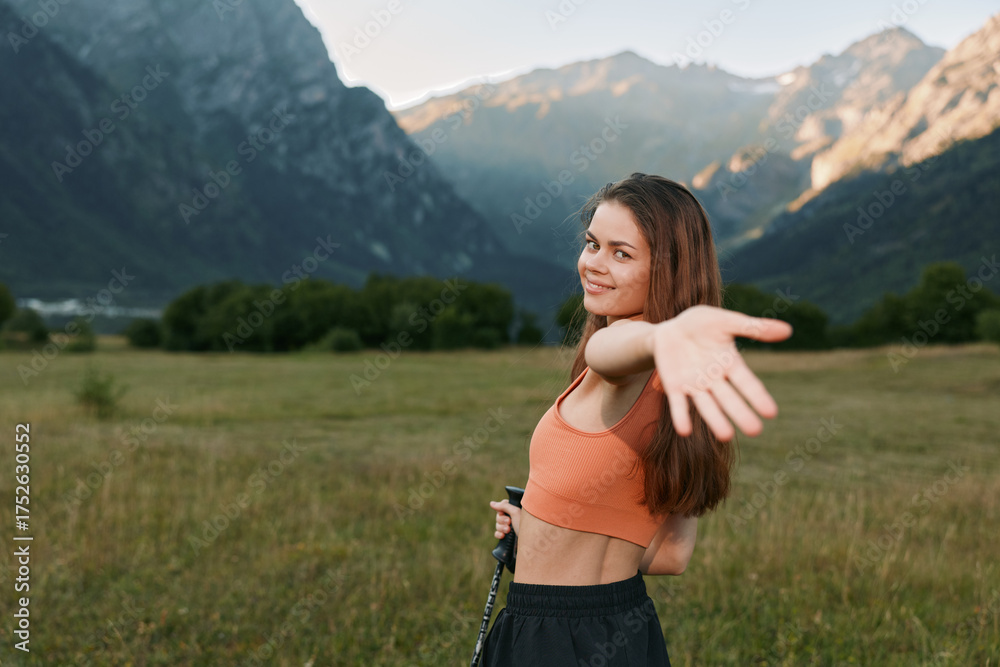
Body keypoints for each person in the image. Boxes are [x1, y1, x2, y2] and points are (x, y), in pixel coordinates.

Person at [481, 173, 793, 666]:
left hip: (552, 636)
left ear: (665, 271)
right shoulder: (683, 387)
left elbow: (607, 352)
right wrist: (540, 532)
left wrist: (659, 337)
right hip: (625, 631)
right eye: (592, 244)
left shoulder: (628, 356)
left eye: (621, 253)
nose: (595, 265)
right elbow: (671, 555)